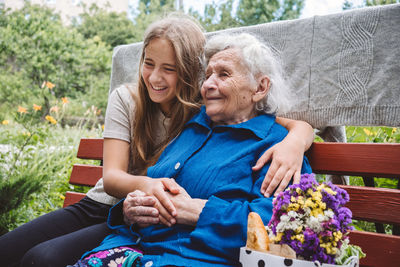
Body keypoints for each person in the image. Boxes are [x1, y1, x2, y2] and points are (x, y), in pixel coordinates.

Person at [0, 16, 313, 267]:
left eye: (224, 74)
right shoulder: (195, 122)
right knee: (32, 256)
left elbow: (276, 229)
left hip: (180, 255)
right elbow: (129, 184)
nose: (210, 85)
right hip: (124, 229)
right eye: (209, 75)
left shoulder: (269, 145)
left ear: (260, 88)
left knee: (43, 258)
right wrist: (134, 204)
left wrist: (298, 136)